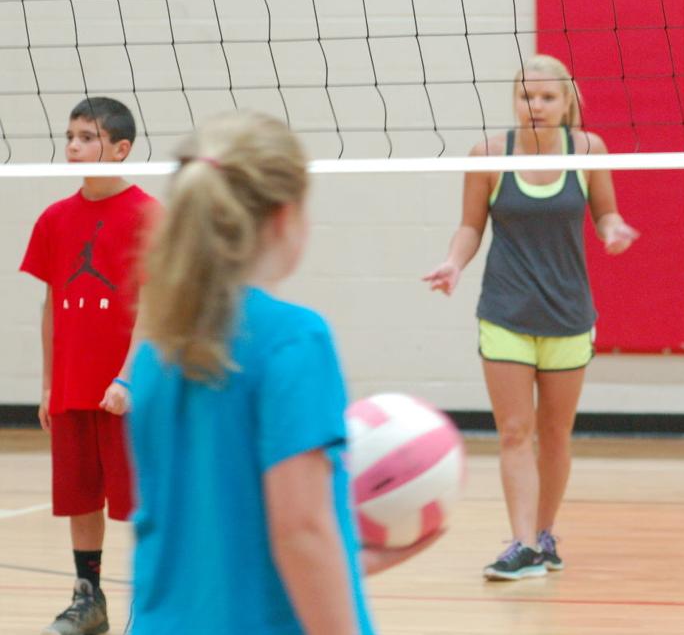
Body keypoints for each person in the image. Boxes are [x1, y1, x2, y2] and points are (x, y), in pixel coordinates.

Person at [127, 112, 436, 634]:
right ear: (284, 217)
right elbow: (300, 531)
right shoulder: (293, 340)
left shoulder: (156, 353)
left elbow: (202, 545)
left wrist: (350, 564)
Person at [424, 54, 639, 580]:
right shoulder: (489, 155)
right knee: (515, 431)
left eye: (547, 97)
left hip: (568, 313)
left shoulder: (588, 149)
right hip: (505, 311)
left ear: (567, 102)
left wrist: (612, 229)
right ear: (514, 100)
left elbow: (605, 211)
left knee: (555, 433)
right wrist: (453, 262)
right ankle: (521, 543)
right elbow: (470, 226)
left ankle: (543, 535)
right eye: (527, 96)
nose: (536, 106)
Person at [20, 97, 158, 635]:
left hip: (128, 388)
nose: (73, 146)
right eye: (70, 135)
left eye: (87, 137)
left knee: (141, 502)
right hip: (74, 385)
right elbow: (51, 305)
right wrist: (50, 384)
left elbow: (156, 307)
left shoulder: (149, 216)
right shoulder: (55, 219)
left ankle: (151, 602)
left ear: (121, 149)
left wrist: (128, 376)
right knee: (81, 497)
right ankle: (88, 598)